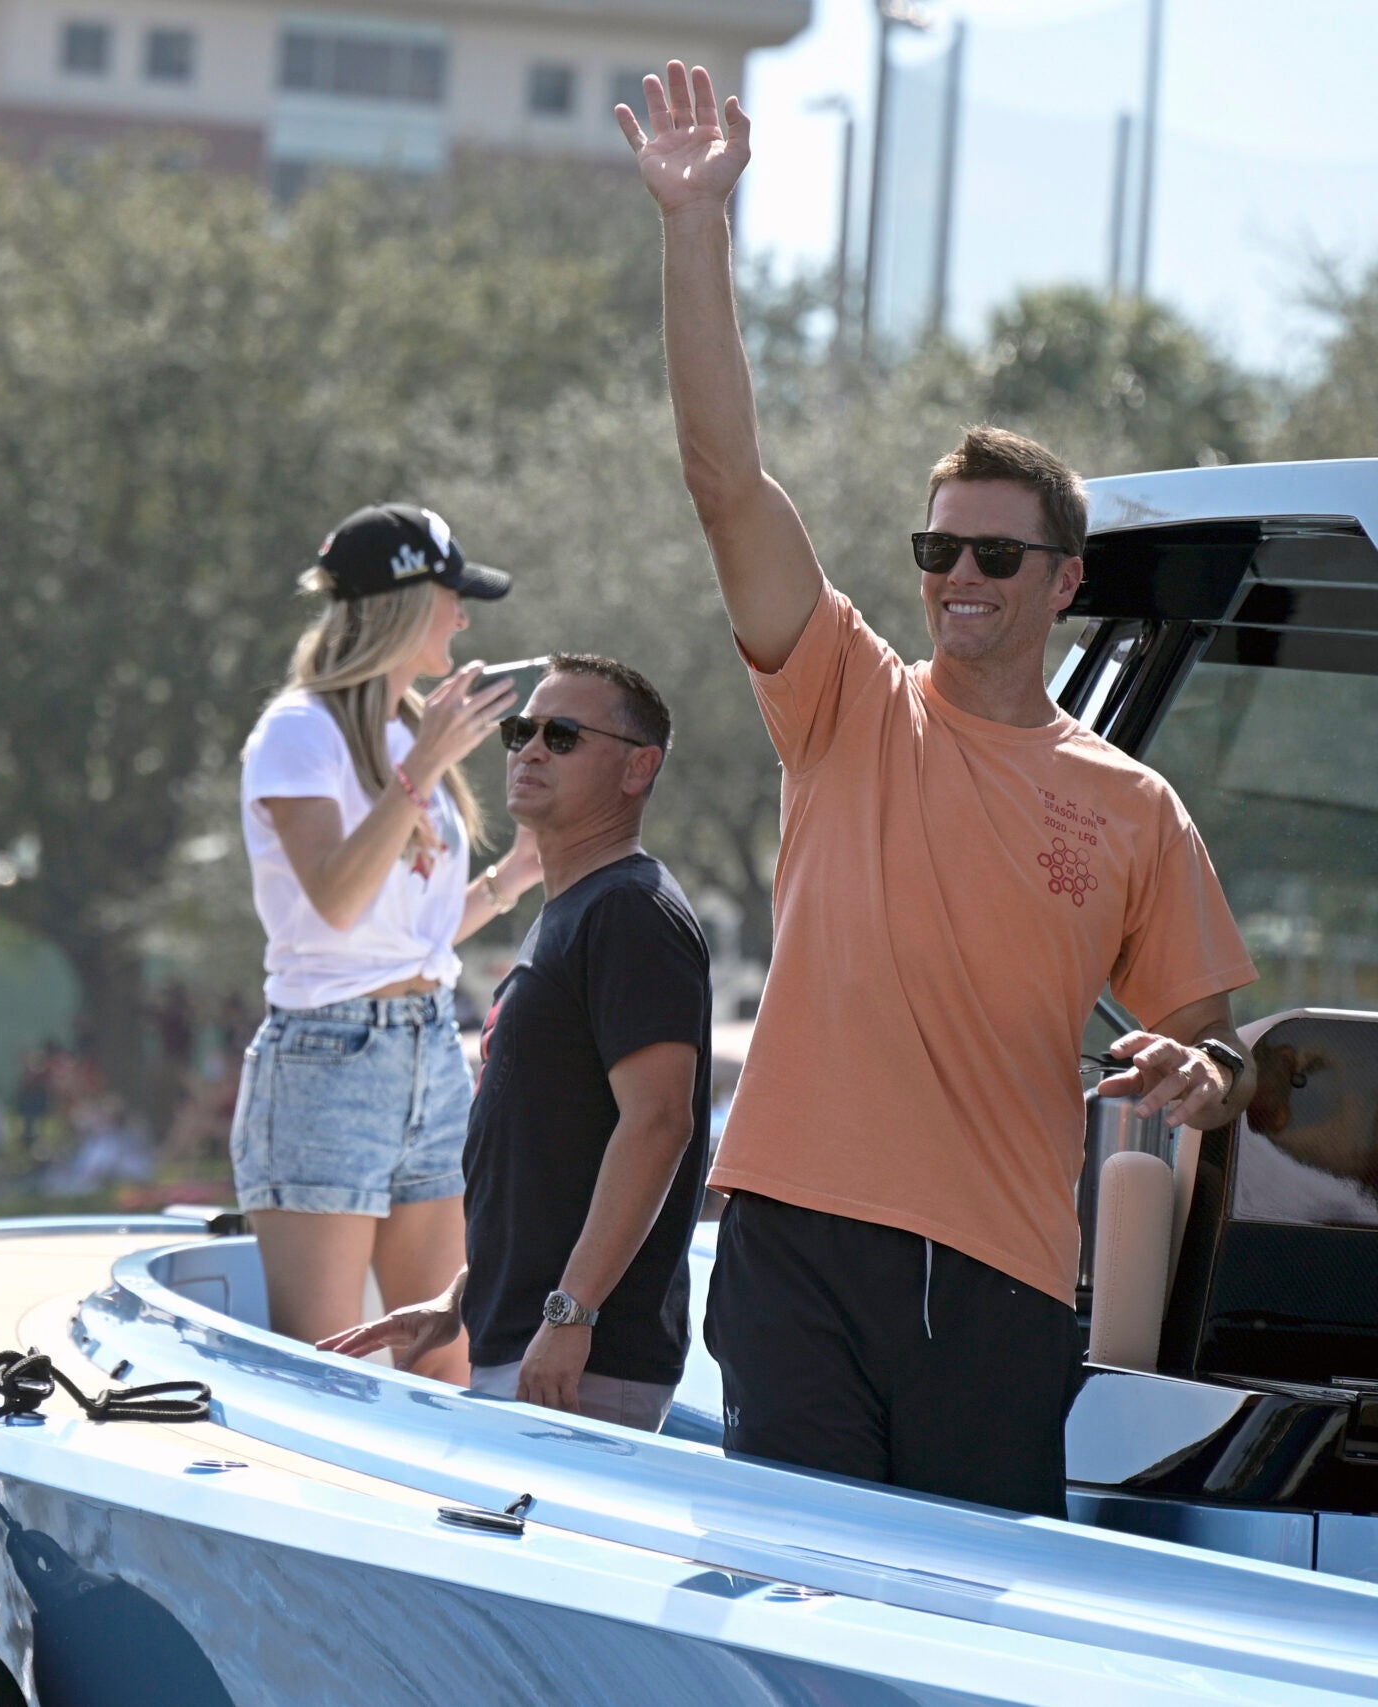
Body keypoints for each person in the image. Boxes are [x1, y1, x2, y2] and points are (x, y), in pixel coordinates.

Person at [619, 62, 1258, 1512]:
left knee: (960, 1631)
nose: (956, 578)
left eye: (994, 555)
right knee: (800, 1610)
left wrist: (1192, 1075)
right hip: (796, 1242)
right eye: (937, 549)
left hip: (1003, 1283)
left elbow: (1212, 1051)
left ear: (1063, 582)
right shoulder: (842, 692)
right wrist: (692, 228)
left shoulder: (1134, 805)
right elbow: (726, 481)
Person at [321, 657, 711, 1430]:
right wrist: (461, 1300)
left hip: (581, 1361)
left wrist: (572, 1316)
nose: (530, 749)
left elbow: (658, 1124)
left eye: (562, 735)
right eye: (518, 730)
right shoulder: (572, 911)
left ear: (640, 767)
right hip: (537, 1343)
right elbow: (553, 1156)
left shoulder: (631, 914)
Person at [231, 502, 541, 1384]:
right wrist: (422, 771)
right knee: (326, 1371)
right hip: (326, 1060)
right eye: (453, 597)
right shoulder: (299, 732)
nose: (465, 618)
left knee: (446, 1361)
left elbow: (409, 936)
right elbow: (334, 901)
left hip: (429, 1048)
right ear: (407, 602)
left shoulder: (409, 734)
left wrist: (511, 879)